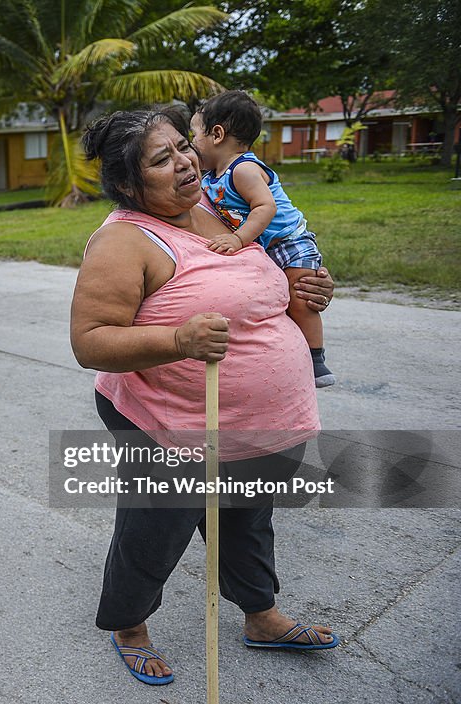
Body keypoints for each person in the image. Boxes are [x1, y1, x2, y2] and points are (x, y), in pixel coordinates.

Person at [70, 108, 340, 688]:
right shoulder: (123, 240)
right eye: (161, 160)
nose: (184, 162)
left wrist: (304, 288)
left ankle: (261, 617)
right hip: (168, 419)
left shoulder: (219, 208)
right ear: (128, 184)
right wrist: (177, 339)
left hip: (248, 421)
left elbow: (255, 286)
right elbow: (90, 342)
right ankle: (130, 627)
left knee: (246, 518)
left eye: (180, 148)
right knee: (158, 525)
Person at [189, 91, 335, 387]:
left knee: (301, 295)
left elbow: (265, 207)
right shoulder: (210, 177)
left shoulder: (243, 169)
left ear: (216, 134)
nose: (192, 143)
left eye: (194, 134)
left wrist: (240, 239)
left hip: (290, 241)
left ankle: (315, 357)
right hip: (267, 247)